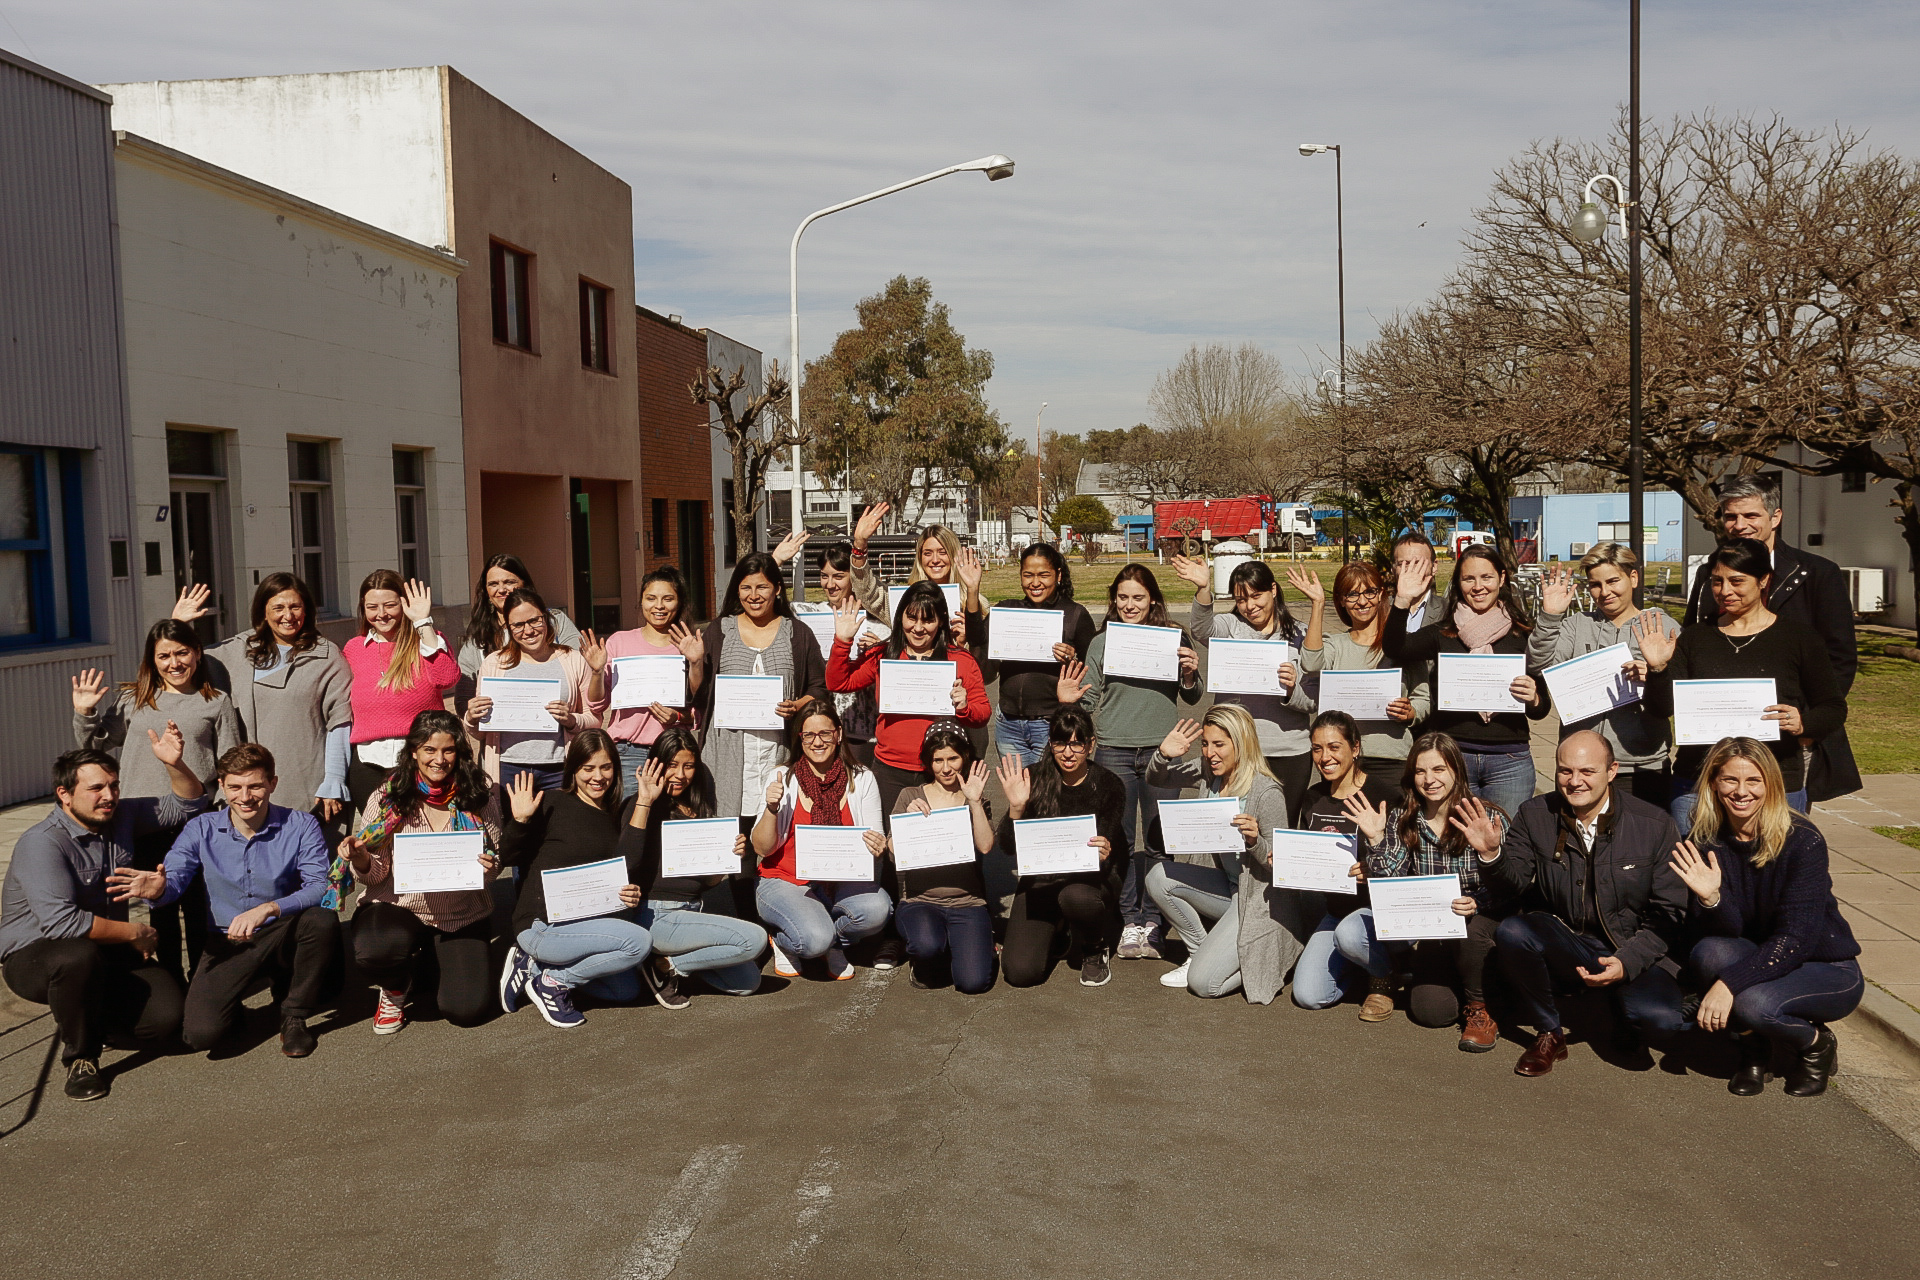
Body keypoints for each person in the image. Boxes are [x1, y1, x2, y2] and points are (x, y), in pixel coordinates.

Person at [1, 739, 205, 1100]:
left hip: (105, 945)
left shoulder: (120, 816)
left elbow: (188, 804)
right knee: (76, 957)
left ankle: (92, 1019)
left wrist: (175, 764)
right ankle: (81, 1058)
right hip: (36, 956)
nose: (108, 796)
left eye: (113, 786)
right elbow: (62, 924)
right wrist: (135, 931)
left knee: (167, 1020)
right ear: (64, 794)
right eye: (96, 788)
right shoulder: (43, 843)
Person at [1480, 730, 1691, 1077]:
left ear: (1612, 771)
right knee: (1515, 931)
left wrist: (1627, 962)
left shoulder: (1654, 825)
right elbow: (1512, 884)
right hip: (1570, 940)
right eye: (1565, 771)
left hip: (1630, 947)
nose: (1574, 781)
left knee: (1661, 1022)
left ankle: (1622, 1008)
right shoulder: (1535, 814)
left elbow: (1670, 913)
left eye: (1587, 772)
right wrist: (1492, 855)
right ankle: (1549, 1032)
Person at [1670, 737, 1862, 1097]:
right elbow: (1722, 933)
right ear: (1713, 782)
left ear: (1770, 784)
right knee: (1708, 953)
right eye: (1730, 780)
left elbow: (1796, 939)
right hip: (1760, 954)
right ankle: (1754, 1050)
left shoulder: (1802, 840)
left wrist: (1728, 986)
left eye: (1753, 781)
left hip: (1824, 966)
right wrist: (1711, 898)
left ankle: (1816, 1045)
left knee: (1751, 1002)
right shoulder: (1704, 840)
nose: (1742, 792)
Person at [126, 743, 342, 1059]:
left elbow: (320, 887)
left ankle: (293, 1014)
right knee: (202, 1034)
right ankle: (233, 1006)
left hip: (282, 931)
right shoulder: (200, 828)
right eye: (235, 787)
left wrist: (269, 908)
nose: (245, 796)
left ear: (272, 784)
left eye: (255, 785)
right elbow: (175, 877)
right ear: (222, 786)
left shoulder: (300, 825)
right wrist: (159, 890)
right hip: (227, 940)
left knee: (320, 919)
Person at [70, 615, 241, 979]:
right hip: (141, 818)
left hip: (194, 821)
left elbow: (230, 764)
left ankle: (202, 982)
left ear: (197, 653)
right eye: (164, 656)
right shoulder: (136, 699)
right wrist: (85, 712)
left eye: (182, 653)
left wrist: (227, 819)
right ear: (152, 660)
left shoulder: (216, 701)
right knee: (157, 905)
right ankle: (168, 982)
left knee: (198, 906)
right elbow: (95, 745)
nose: (174, 663)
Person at [1639, 538, 1845, 823]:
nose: (1725, 591)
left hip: (1774, 783)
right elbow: (1661, 709)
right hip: (1699, 784)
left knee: (1775, 864)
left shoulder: (1799, 638)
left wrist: (1803, 723)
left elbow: (1833, 708)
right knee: (1696, 864)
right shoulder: (1696, 637)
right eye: (1716, 581)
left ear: (1764, 580)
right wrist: (1658, 669)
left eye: (1736, 581)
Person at [1057, 563, 1202, 962]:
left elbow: (1190, 696)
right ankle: (1129, 918)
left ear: (1152, 598)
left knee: (1159, 841)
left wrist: (1190, 674)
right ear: (1113, 599)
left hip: (1162, 751)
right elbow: (1089, 700)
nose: (1129, 604)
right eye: (1122, 597)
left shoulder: (1173, 637)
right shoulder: (1103, 642)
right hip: (1115, 751)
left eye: (1138, 597)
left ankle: (1155, 918)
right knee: (1119, 841)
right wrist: (1070, 700)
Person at [1684, 476, 1859, 801]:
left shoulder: (1817, 573)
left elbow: (1841, 658)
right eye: (1731, 516)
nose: (1739, 525)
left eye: (1751, 516)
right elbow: (1693, 639)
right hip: (1718, 738)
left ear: (1775, 517)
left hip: (1786, 741)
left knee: (1782, 839)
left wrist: (1807, 725)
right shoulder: (1709, 571)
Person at [1338, 733, 1508, 1048]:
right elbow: (1388, 881)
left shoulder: (1487, 817)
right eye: (1420, 771)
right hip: (1434, 931)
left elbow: (1512, 884)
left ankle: (1480, 1007)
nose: (1429, 780)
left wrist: (1477, 902)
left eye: (1438, 770)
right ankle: (1454, 979)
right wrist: (1376, 839)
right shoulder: (1405, 820)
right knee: (1432, 1013)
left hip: (1481, 925)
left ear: (1456, 770)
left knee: (1473, 931)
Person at [337, 710, 501, 1035]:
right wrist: (360, 859)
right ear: (414, 751)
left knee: (466, 1010)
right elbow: (375, 874)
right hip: (401, 906)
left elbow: (494, 864)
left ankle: (429, 962)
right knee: (376, 949)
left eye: (448, 750)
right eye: (429, 749)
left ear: (460, 752)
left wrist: (489, 868)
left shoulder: (478, 793)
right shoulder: (388, 796)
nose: (439, 760)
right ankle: (395, 987)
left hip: (461, 911)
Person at [1143, 705, 1311, 1001]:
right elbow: (1158, 779)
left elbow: (1283, 867)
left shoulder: (1266, 791)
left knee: (1204, 984)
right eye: (1205, 744)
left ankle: (1266, 958)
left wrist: (1255, 841)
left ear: (1241, 742)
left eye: (1219, 744)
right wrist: (1164, 754)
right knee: (1158, 876)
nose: (1209, 753)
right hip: (1227, 888)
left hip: (1258, 899)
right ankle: (1197, 950)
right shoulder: (1210, 773)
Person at [496, 730, 651, 1028]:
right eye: (588, 768)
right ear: (574, 770)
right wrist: (520, 821)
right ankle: (553, 981)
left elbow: (622, 872)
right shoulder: (552, 802)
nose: (598, 777)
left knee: (625, 990)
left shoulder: (613, 816)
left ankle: (537, 968)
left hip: (583, 926)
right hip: (542, 925)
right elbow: (508, 857)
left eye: (606, 767)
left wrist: (627, 894)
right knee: (638, 942)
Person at [1383, 543, 1550, 816]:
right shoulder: (1443, 633)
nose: (1478, 586)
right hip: (1453, 756)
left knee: (1505, 842)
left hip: (1510, 761)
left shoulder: (1523, 635)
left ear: (1502, 579)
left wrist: (1533, 697)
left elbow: (1542, 709)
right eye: (1468, 578)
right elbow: (1395, 648)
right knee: (1455, 842)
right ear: (1458, 583)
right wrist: (1402, 601)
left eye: (1486, 577)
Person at [179, 574, 353, 829]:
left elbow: (340, 722)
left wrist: (334, 779)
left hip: (305, 788)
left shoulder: (326, 657)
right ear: (263, 611)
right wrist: (179, 625)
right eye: (278, 607)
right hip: (245, 793)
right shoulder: (237, 650)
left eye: (295, 606)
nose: (288, 615)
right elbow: (179, 663)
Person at [615, 728, 768, 1008]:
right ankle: (663, 966)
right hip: (654, 915)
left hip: (690, 913)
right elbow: (626, 863)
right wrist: (645, 801)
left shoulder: (698, 810)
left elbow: (707, 883)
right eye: (672, 765)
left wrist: (728, 859)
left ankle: (666, 964)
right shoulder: (639, 806)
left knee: (747, 982)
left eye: (688, 766)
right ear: (656, 763)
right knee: (755, 939)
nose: (680, 775)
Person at [750, 704, 891, 980]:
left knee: (877, 910)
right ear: (799, 738)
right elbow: (762, 849)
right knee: (812, 940)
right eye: (809, 735)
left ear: (838, 734)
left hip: (841, 880)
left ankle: (832, 940)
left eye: (825, 733)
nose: (817, 741)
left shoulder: (862, 779)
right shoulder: (783, 777)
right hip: (785, 879)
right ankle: (785, 940)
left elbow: (873, 842)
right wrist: (771, 807)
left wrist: (878, 846)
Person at [1169, 554, 1316, 820]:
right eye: (1241, 599)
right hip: (1239, 751)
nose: (1249, 606)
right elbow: (1202, 629)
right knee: (1239, 829)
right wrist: (1203, 588)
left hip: (1288, 751)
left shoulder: (1301, 634)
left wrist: (1291, 689)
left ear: (1273, 590)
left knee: (1280, 831)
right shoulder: (1230, 626)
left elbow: (1312, 701)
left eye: (1256, 596)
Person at [826, 580, 991, 817]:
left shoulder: (960, 660)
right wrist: (842, 641)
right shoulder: (884, 655)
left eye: (928, 620)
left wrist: (965, 706)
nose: (918, 627)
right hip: (890, 770)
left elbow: (983, 713)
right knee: (890, 844)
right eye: (911, 618)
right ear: (900, 617)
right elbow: (838, 682)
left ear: (941, 621)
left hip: (939, 771)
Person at [1528, 545, 1679, 804]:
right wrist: (1550, 617)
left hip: (1642, 765)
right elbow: (1539, 666)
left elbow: (1679, 696)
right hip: (1580, 768)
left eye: (1613, 581)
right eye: (1595, 584)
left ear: (1633, 578)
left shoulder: (1663, 626)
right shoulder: (1577, 625)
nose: (1605, 592)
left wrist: (1656, 675)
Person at [693, 551, 831, 823]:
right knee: (731, 835)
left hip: (778, 752)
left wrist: (799, 704)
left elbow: (819, 687)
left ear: (777, 589)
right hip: (726, 756)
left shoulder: (797, 633)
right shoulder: (720, 630)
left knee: (774, 829)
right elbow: (700, 696)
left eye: (761, 587)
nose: (753, 595)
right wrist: (696, 662)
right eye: (745, 587)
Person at [998, 707, 1128, 989]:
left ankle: (1094, 946)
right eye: (1060, 742)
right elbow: (1007, 846)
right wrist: (1016, 808)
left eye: (1076, 743)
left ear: (1090, 745)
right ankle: (1058, 931)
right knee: (1020, 973)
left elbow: (1105, 857)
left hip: (1090, 881)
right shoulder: (1033, 777)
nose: (1068, 752)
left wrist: (1104, 851)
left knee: (1075, 897)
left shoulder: (1109, 785)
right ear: (1051, 743)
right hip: (1042, 880)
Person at [1290, 711, 1402, 1013]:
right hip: (1337, 912)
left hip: (1378, 914)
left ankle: (1385, 975)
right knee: (1308, 995)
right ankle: (1357, 962)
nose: (1324, 757)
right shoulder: (1313, 797)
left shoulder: (1385, 796)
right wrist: (1288, 860)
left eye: (1334, 747)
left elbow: (1407, 866)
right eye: (1317, 748)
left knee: (1350, 935)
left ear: (1355, 748)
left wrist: (1375, 868)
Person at [885, 721, 997, 993]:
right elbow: (893, 849)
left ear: (965, 758)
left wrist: (973, 802)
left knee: (973, 982)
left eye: (953, 758)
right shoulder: (910, 795)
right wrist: (909, 820)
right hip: (920, 900)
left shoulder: (975, 797)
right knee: (927, 947)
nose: (946, 768)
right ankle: (926, 959)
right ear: (928, 762)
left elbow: (985, 846)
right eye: (938, 760)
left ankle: (974, 944)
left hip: (967, 902)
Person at [464, 587, 609, 795]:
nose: (529, 630)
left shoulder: (573, 660)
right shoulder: (494, 664)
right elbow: (480, 732)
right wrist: (471, 717)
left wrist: (571, 720)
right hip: (507, 768)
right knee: (513, 828)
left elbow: (595, 719)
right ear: (508, 627)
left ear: (547, 618)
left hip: (559, 768)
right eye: (518, 625)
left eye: (535, 621)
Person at [341, 571, 460, 814]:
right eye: (372, 607)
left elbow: (446, 678)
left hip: (422, 761)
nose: (381, 614)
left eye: (390, 605)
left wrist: (423, 622)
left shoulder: (427, 640)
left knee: (421, 836)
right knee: (377, 841)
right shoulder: (354, 649)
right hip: (368, 763)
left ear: (404, 604)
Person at [1295, 561, 1428, 778]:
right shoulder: (1335, 644)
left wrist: (1411, 712)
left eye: (1370, 592)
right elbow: (1310, 663)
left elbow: (1423, 698)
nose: (1362, 601)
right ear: (1341, 601)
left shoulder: (1403, 645)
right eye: (1352, 595)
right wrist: (1318, 603)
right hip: (1342, 761)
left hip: (1392, 756)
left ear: (1381, 594)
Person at [970, 543, 1097, 767]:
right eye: (1028, 575)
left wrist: (1073, 659)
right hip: (1008, 723)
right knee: (1018, 796)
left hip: (1051, 723)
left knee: (1047, 795)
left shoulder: (1076, 615)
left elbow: (1092, 673)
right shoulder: (1007, 611)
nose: (1035, 582)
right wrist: (972, 590)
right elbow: (978, 641)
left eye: (1043, 575)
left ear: (1058, 575)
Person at [603, 566, 707, 794]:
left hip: (674, 755)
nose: (659, 606)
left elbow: (700, 707)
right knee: (632, 821)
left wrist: (696, 663)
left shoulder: (689, 644)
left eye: (668, 598)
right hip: (629, 753)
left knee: (671, 823)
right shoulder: (619, 642)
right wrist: (594, 671)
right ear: (641, 600)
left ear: (679, 602)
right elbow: (598, 703)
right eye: (651, 598)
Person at [791, 541, 886, 767]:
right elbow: (767, 603)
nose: (830, 584)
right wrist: (776, 560)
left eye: (838, 576)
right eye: (824, 576)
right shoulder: (806, 614)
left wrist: (879, 648)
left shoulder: (877, 620)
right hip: (819, 731)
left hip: (865, 732)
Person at [456, 553, 583, 707]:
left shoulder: (555, 621)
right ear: (486, 592)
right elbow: (464, 700)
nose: (501, 589)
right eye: (493, 584)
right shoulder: (477, 640)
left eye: (509, 582)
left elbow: (581, 670)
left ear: (524, 585)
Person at [847, 505, 987, 637]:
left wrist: (968, 639)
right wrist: (859, 544)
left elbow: (984, 652)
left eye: (942, 552)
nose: (935, 560)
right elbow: (867, 594)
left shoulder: (977, 602)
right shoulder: (904, 598)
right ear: (919, 558)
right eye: (927, 553)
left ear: (953, 555)